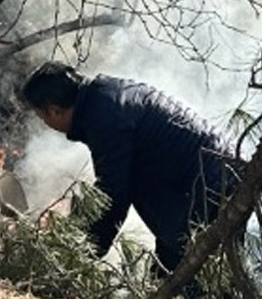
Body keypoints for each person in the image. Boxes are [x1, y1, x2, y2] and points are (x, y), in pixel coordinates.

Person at [19, 62, 240, 281]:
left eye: (42, 117)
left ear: (53, 110)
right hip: (210, 181)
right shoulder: (104, 97)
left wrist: (77, 256)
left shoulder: (105, 116)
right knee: (169, 276)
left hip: (207, 188)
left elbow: (112, 195)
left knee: (191, 281)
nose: (45, 123)